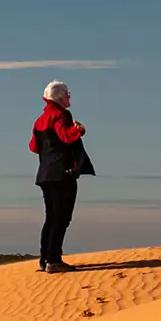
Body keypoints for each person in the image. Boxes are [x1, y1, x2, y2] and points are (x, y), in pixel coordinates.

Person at [29, 80, 94, 272]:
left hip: (45, 174)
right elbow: (66, 136)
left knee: (51, 217)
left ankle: (45, 258)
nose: (69, 97)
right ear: (59, 97)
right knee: (61, 218)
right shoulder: (61, 115)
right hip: (62, 174)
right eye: (67, 94)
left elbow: (33, 146)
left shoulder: (40, 120)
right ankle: (54, 260)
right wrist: (79, 130)